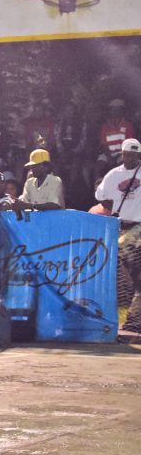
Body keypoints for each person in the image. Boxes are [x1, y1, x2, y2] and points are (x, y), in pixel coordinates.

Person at [95, 138, 141, 333]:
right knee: (128, 278)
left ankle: (134, 322)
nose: (129, 156)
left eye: (134, 153)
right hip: (122, 228)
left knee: (137, 277)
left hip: (139, 227)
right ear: (122, 153)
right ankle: (133, 321)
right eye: (126, 153)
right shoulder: (114, 175)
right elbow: (101, 196)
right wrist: (112, 210)